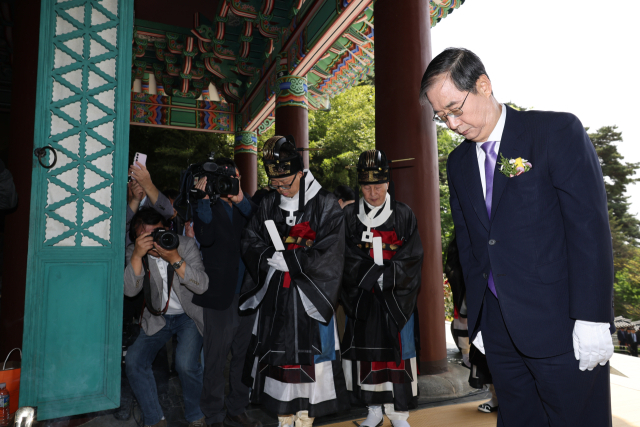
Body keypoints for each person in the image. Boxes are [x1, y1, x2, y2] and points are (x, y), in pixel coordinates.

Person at [419, 48, 614, 426]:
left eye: (456, 108)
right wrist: (478, 324)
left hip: (564, 328)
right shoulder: (458, 163)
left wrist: (592, 318)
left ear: (483, 85)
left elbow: (588, 229)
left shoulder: (554, 133)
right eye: (441, 117)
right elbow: (472, 247)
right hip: (499, 331)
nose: (453, 123)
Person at [239, 135, 349, 427]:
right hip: (277, 297)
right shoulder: (269, 204)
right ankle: (283, 419)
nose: (280, 189)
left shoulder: (325, 204)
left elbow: (332, 251)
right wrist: (266, 258)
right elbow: (250, 238)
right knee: (278, 363)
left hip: (309, 297)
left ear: (301, 172)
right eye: (275, 184)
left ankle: (304, 419)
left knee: (310, 363)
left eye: (285, 183)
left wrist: (295, 261)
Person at [340, 150, 423, 427]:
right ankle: (373, 410)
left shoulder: (403, 214)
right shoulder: (350, 217)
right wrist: (369, 276)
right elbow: (344, 256)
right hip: (364, 297)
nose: (372, 192)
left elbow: (413, 256)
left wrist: (388, 276)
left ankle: (399, 414)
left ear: (388, 183)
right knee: (368, 356)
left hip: (397, 298)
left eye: (378, 185)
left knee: (399, 354)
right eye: (366, 186)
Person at [191, 158, 261, 427]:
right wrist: (203, 200)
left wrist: (241, 197)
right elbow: (205, 238)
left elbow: (263, 223)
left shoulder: (247, 206)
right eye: (225, 178)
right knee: (216, 357)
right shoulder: (205, 204)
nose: (231, 182)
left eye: (236, 177)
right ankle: (214, 414)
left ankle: (237, 406)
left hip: (247, 293)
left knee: (243, 356)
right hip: (219, 294)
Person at [124, 208, 209, 427]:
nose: (155, 240)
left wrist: (175, 259)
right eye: (147, 236)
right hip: (157, 319)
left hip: (188, 316)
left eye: (159, 232)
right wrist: (136, 256)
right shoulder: (135, 251)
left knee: (186, 364)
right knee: (134, 361)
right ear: (136, 237)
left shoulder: (184, 245)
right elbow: (130, 291)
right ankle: (155, 419)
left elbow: (202, 286)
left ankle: (195, 414)